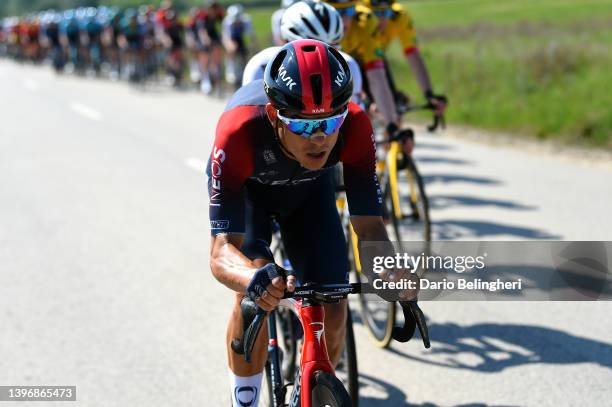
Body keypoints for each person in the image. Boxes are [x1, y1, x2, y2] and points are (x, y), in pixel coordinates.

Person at [208, 39, 417, 407]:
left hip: (309, 195)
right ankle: (246, 401)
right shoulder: (238, 131)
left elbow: (370, 228)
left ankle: (316, 387)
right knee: (253, 295)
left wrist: (389, 270)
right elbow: (221, 252)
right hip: (250, 196)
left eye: (329, 121)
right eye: (303, 126)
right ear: (274, 117)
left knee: (334, 304)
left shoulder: (354, 126)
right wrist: (252, 279)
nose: (319, 138)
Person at [242, 0, 364, 107]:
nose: (323, 57)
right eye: (311, 51)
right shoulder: (260, 66)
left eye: (333, 49)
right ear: (287, 42)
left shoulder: (349, 65)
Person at [362, 0, 447, 120]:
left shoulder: (400, 16)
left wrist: (428, 94)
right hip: (352, 58)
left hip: (376, 59)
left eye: (386, 13)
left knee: (393, 108)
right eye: (375, 13)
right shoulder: (355, 17)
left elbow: (413, 55)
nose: (382, 19)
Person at [221, 4, 258, 86]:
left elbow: (252, 36)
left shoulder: (246, 20)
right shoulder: (228, 22)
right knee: (232, 49)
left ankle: (244, 71)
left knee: (244, 53)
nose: (236, 22)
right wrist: (231, 48)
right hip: (230, 37)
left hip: (240, 37)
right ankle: (230, 69)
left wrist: (255, 48)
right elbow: (227, 38)